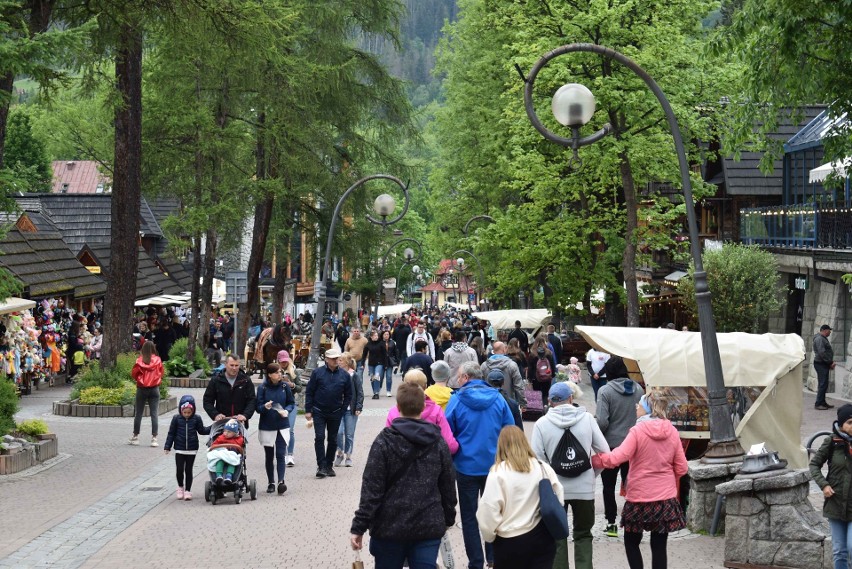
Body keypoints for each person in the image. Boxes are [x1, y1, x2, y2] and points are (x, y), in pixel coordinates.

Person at [350, 382, 458, 569]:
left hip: (388, 526)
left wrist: (359, 526)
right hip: (427, 524)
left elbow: (371, 490)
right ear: (423, 407)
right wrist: (448, 518)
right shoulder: (438, 442)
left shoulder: (384, 441)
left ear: (398, 407)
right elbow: (448, 485)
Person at [592, 391, 688, 569]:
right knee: (659, 546)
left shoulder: (637, 431)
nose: (636, 406)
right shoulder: (672, 431)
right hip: (664, 499)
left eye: (639, 404)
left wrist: (596, 460)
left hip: (639, 498)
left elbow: (617, 457)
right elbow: (682, 467)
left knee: (631, 542)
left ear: (647, 408)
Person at [445, 361, 515, 569]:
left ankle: (475, 562)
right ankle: (493, 558)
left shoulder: (456, 401)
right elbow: (510, 430)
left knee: (469, 517)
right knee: (495, 512)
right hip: (494, 466)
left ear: (466, 377)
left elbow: (448, 435)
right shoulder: (498, 399)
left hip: (466, 466)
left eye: (459, 376)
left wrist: (458, 450)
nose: (457, 379)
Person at [532, 382, 609, 569]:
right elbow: (604, 452)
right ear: (571, 398)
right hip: (584, 490)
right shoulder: (588, 419)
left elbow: (536, 460)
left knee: (557, 536)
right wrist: (592, 474)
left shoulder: (541, 424)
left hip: (555, 490)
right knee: (583, 534)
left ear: (550, 401)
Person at [477, 426, 563, 569]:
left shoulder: (498, 473)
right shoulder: (543, 467)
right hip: (542, 537)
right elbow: (558, 498)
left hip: (509, 541)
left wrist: (489, 536)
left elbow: (489, 510)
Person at [595, 355, 644, 537]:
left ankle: (611, 524)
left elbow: (602, 422)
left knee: (608, 487)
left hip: (611, 447)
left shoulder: (605, 392)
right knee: (631, 484)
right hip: (633, 445)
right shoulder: (638, 389)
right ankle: (633, 521)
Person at [809, 403, 852, 569]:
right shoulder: (832, 442)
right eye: (849, 422)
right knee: (839, 551)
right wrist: (824, 485)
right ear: (841, 424)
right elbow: (814, 465)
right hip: (836, 503)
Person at [305, 348, 352, 478]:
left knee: (333, 439)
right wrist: (308, 409)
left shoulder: (344, 375)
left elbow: (348, 395)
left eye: (337, 358)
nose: (336, 360)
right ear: (326, 359)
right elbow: (310, 391)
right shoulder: (317, 373)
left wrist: (342, 410)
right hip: (319, 411)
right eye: (333, 358)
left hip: (336, 411)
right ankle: (321, 466)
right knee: (319, 437)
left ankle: (329, 465)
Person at [386, 369, 458, 454]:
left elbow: (388, 441)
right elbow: (450, 445)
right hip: (430, 461)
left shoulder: (394, 411)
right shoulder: (436, 410)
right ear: (425, 387)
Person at [256, 362, 295, 495]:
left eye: (280, 372)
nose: (280, 374)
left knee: (280, 454)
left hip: (282, 425)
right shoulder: (262, 388)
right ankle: (271, 482)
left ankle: (281, 482)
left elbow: (291, 403)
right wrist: (265, 407)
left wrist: (287, 411)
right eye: (277, 372)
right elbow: (258, 408)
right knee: (269, 455)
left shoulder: (285, 386)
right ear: (270, 375)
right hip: (267, 426)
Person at [163, 395, 211, 501]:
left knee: (188, 470)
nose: (187, 415)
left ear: (192, 411)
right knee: (179, 469)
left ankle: (188, 490)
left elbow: (202, 430)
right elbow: (171, 433)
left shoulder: (196, 418)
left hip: (192, 448)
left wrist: (214, 427)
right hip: (179, 448)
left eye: (189, 413)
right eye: (185, 412)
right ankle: (180, 487)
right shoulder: (176, 418)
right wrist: (167, 446)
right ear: (181, 410)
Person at [203, 354, 257, 427]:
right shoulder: (216, 380)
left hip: (240, 423)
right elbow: (207, 400)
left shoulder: (246, 380)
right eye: (231, 365)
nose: (234, 368)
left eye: (236, 365)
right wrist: (215, 415)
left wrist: (245, 415)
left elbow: (252, 400)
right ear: (225, 364)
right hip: (222, 422)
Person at [129, 341, 164, 447]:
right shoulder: (158, 360)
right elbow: (161, 372)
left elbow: (134, 374)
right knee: (154, 413)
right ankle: (154, 438)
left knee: (138, 413)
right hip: (154, 388)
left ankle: (135, 437)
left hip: (142, 388)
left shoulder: (140, 360)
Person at [335, 352, 365, 468]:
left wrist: (358, 407)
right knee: (338, 432)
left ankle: (348, 456)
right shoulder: (336, 374)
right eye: (338, 360)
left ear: (347, 362)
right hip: (338, 409)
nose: (338, 362)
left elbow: (360, 392)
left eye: (341, 360)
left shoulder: (354, 375)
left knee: (349, 434)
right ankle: (339, 453)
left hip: (350, 410)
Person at [481, 341, 527, 411]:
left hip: (488, 402)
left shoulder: (484, 366)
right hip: (508, 402)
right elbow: (518, 386)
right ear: (504, 350)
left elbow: (480, 384)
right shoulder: (512, 365)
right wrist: (523, 403)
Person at [274, 350, 300, 467]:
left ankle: (290, 454)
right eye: (282, 361)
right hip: (278, 405)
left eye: (285, 361)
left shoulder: (293, 371)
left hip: (291, 404)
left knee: (290, 430)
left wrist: (292, 384)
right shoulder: (273, 371)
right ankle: (282, 454)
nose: (284, 363)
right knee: (279, 430)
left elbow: (300, 388)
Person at [207, 418, 245, 484]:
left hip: (232, 455)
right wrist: (220, 448)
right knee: (219, 461)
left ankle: (229, 476)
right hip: (222, 454)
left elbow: (239, 447)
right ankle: (219, 475)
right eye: (225, 431)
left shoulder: (239, 439)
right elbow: (214, 445)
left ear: (235, 433)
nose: (226, 433)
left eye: (229, 432)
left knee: (232, 462)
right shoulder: (221, 437)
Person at [814, 324, 836, 410]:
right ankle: (818, 403)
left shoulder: (822, 338)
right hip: (821, 363)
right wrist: (830, 362)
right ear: (824, 330)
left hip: (823, 363)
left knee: (824, 384)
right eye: (829, 330)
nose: (830, 332)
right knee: (822, 384)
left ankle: (822, 402)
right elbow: (822, 353)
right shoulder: (819, 339)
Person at [381, 330, 398, 396]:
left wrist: (396, 363)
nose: (386, 336)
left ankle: (388, 390)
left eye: (387, 334)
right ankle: (378, 388)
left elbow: (396, 353)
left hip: (389, 362)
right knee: (380, 376)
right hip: (381, 362)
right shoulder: (380, 342)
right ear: (382, 335)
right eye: (385, 334)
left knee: (389, 376)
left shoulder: (393, 343)